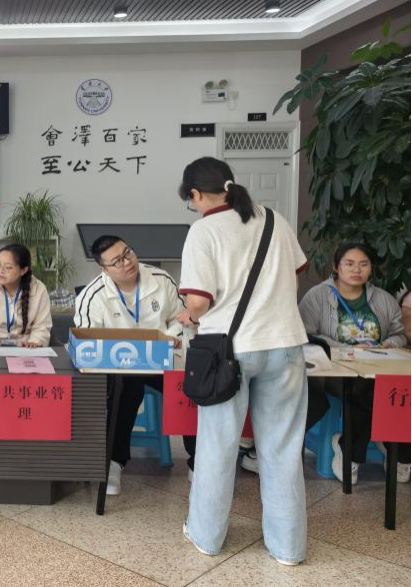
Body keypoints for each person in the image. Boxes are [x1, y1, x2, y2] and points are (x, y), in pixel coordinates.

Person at [177, 156, 310, 566]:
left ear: (196, 194)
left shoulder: (203, 230)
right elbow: (295, 275)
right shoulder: (275, 220)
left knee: (218, 447)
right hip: (285, 344)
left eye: (190, 201)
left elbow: (198, 302)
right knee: (283, 449)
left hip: (228, 351)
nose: (193, 207)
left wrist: (188, 316)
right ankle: (288, 548)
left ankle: (207, 536)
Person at [74, 235, 194, 494]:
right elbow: (87, 340)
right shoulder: (92, 296)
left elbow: (183, 317)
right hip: (119, 367)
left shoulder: (161, 279)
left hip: (162, 360)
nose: (127, 262)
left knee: (189, 388)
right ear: (104, 269)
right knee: (125, 388)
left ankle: (198, 462)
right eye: (116, 261)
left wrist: (171, 336)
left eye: (128, 253)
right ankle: (114, 463)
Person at [298, 242, 409, 484]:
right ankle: (377, 450)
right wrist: (344, 348)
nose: (356, 270)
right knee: (365, 388)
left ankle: (366, 447)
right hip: (332, 370)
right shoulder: (317, 296)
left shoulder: (384, 299)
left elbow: (399, 334)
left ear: (371, 268)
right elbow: (305, 335)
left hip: (375, 367)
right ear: (336, 267)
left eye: (363, 264)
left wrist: (387, 344)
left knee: (393, 387)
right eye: (349, 264)